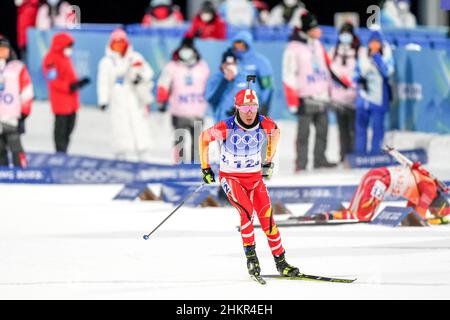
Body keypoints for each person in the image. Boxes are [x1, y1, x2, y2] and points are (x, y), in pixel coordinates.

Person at [199, 85, 300, 278]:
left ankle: (281, 262)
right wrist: (205, 167)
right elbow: (204, 138)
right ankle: (252, 259)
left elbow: (276, 134)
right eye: (244, 108)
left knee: (268, 220)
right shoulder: (227, 126)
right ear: (237, 107)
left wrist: (268, 160)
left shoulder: (265, 124)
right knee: (246, 213)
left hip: (254, 179)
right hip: (231, 178)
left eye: (253, 107)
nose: (249, 113)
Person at [283, 11, 349, 171]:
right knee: (303, 133)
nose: (318, 30)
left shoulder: (318, 45)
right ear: (306, 30)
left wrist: (344, 82)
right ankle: (301, 163)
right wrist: (292, 100)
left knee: (322, 131)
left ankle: (320, 159)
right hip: (305, 97)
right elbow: (288, 75)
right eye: (314, 28)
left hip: (322, 96)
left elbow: (328, 66)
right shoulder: (293, 49)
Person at [97, 29, 155, 162]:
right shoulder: (106, 62)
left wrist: (140, 77)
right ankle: (121, 154)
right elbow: (103, 82)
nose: (119, 46)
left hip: (134, 96)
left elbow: (148, 72)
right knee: (120, 126)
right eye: (116, 43)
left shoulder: (136, 57)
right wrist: (103, 100)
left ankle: (143, 153)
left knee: (139, 124)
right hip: (117, 97)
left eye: (121, 43)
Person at [327, 162, 450, 224]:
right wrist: (437, 221)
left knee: (353, 212)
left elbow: (410, 217)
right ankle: (331, 216)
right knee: (364, 216)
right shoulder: (430, 190)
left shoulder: (422, 188)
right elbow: (419, 217)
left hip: (374, 175)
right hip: (380, 181)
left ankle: (328, 215)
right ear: (438, 207)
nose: (432, 213)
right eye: (435, 213)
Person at [156, 37, 210, 164]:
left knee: (197, 142)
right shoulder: (172, 66)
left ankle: (196, 167)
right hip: (178, 111)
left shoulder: (202, 66)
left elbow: (208, 86)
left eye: (188, 49)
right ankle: (179, 166)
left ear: (194, 50)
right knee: (179, 141)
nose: (186, 52)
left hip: (197, 111)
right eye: (184, 49)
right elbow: (163, 84)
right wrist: (162, 101)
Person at [207, 31, 273, 121]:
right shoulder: (230, 61)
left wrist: (263, 107)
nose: (239, 48)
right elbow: (214, 97)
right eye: (236, 45)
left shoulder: (261, 62)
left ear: (248, 45)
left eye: (242, 45)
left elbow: (268, 87)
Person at [43, 32, 90, 154]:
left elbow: (69, 77)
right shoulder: (50, 59)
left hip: (72, 102)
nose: (70, 49)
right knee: (61, 130)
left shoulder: (66, 58)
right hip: (60, 102)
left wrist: (79, 83)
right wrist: (69, 87)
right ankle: (60, 153)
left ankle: (64, 152)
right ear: (60, 46)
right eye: (68, 46)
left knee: (70, 128)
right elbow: (53, 80)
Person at [354, 27, 394, 155]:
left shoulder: (386, 56)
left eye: (377, 42)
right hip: (363, 99)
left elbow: (387, 72)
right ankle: (360, 153)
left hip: (379, 99)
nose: (374, 45)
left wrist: (377, 58)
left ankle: (375, 154)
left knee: (378, 128)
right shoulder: (362, 55)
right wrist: (359, 77)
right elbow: (355, 74)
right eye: (372, 42)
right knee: (361, 128)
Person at [329, 22, 361, 163]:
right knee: (342, 130)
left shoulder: (359, 51)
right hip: (339, 98)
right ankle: (343, 156)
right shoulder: (333, 51)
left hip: (354, 98)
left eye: (348, 33)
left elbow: (361, 71)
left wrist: (351, 84)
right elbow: (329, 72)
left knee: (353, 129)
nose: (345, 36)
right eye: (343, 33)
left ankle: (353, 156)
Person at [0, 36, 33, 168]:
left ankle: (22, 173)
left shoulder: (17, 68)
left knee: (16, 148)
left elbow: (27, 91)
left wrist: (24, 112)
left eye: (4, 49)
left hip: (12, 117)